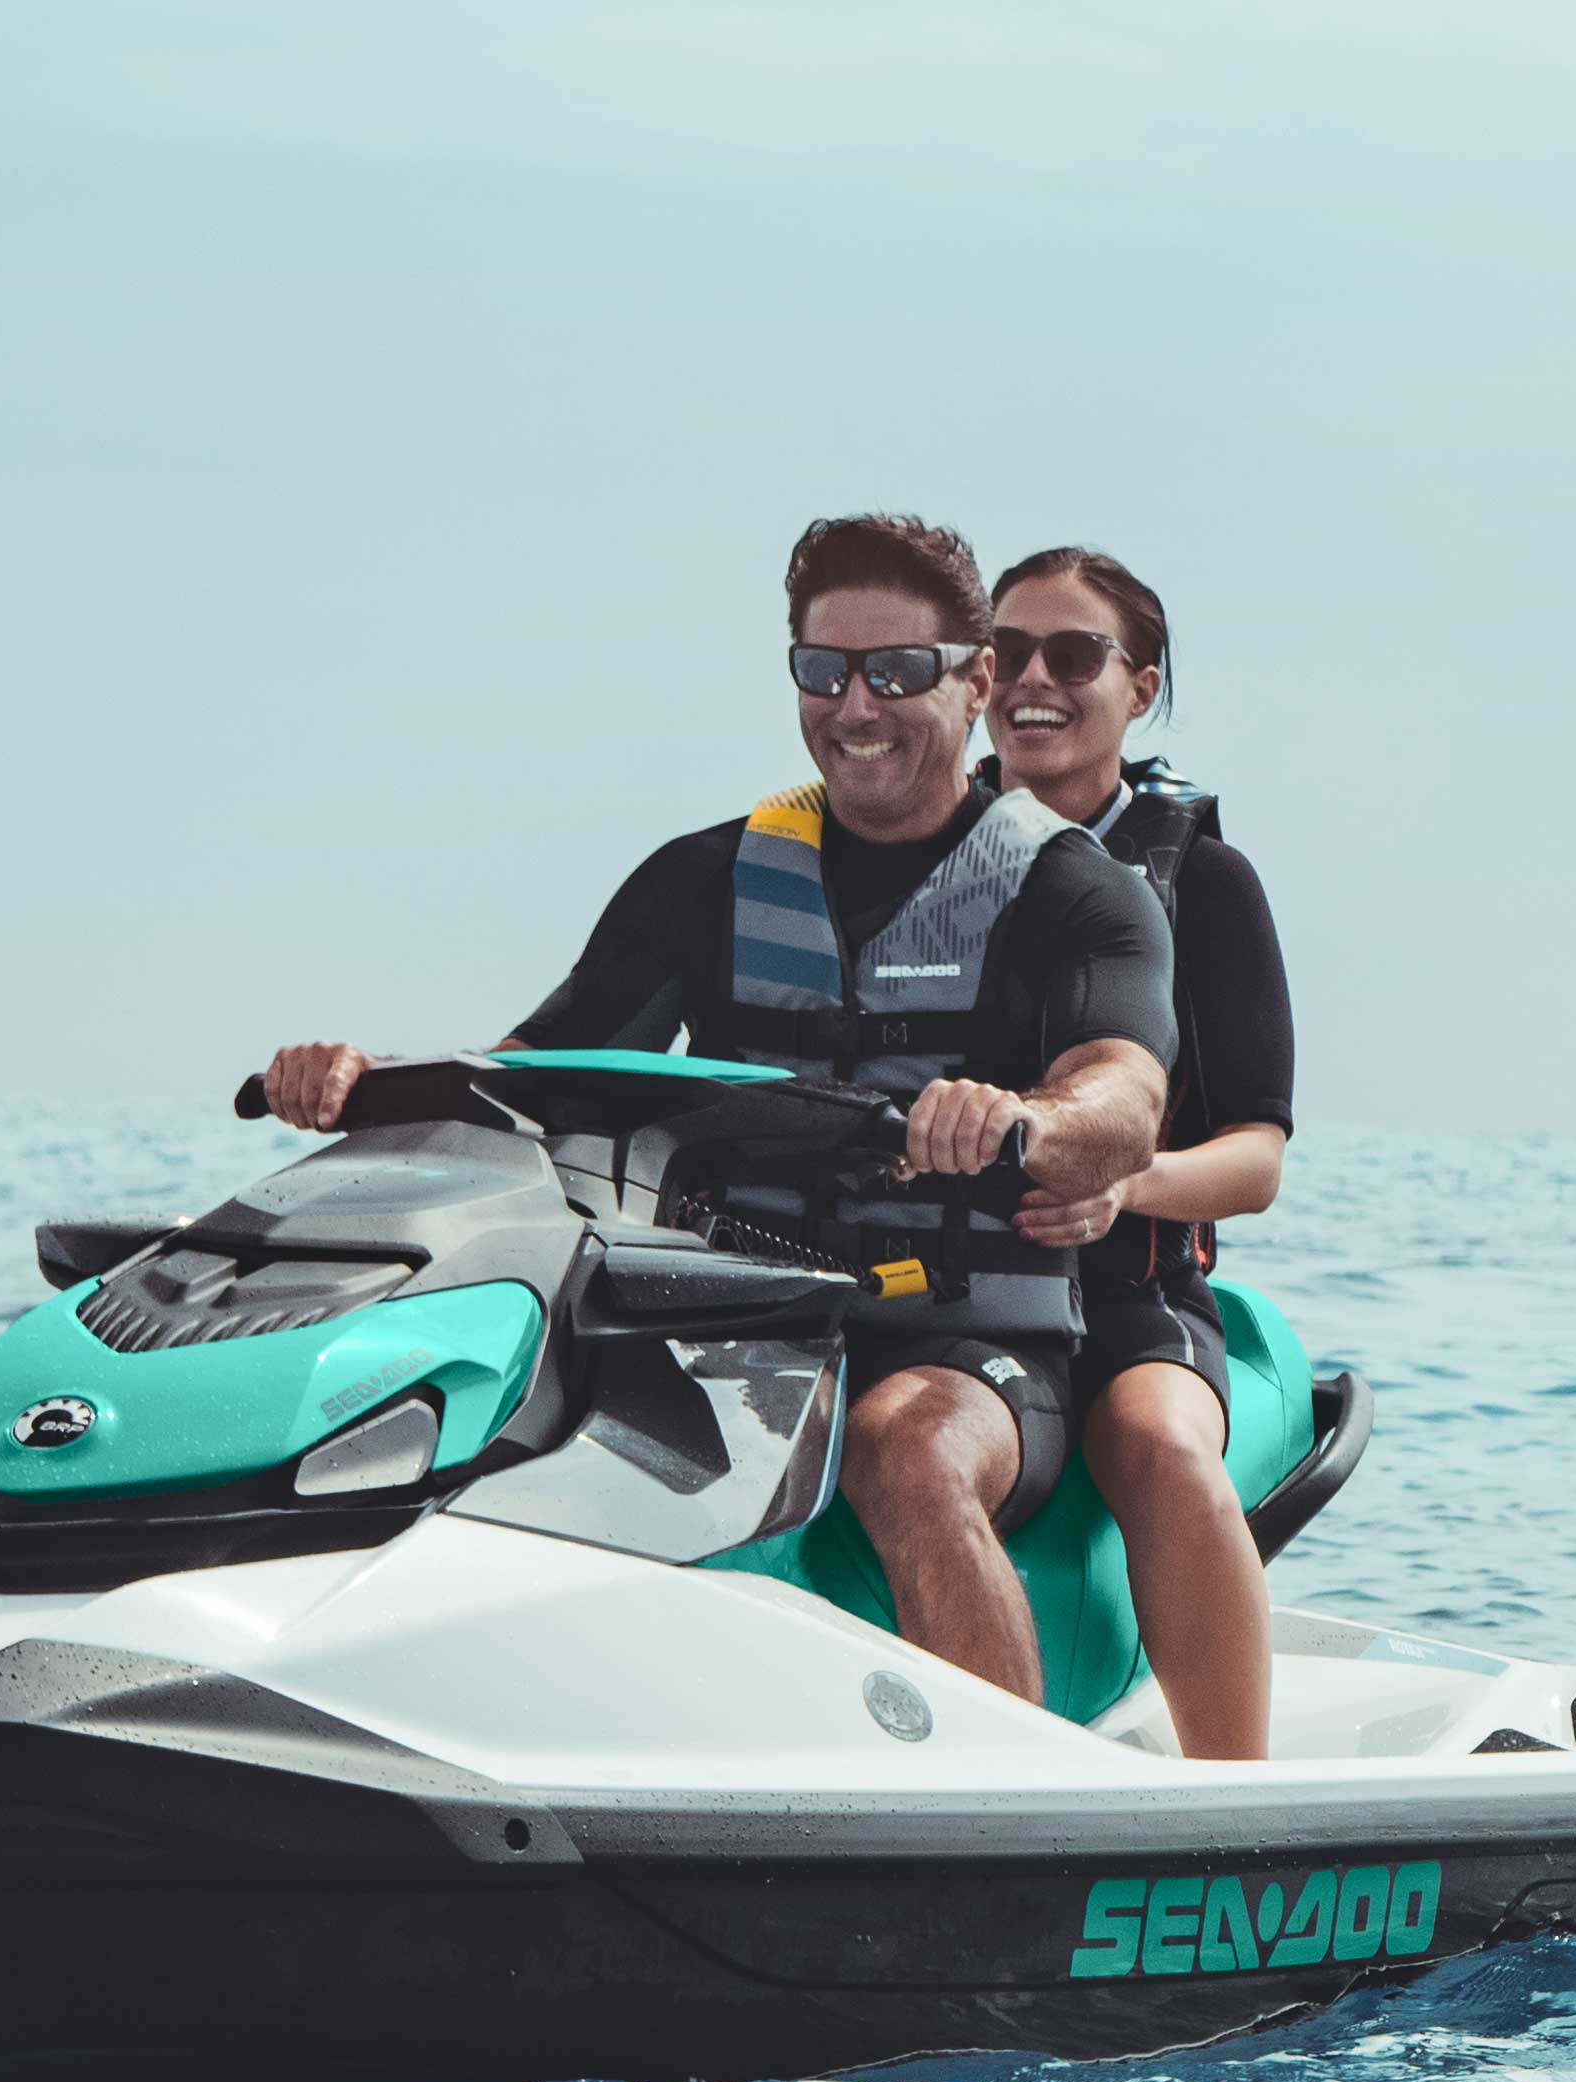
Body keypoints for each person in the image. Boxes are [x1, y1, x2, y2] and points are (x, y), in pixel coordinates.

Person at [262, 515, 1174, 1705]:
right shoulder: (704, 878)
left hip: (966, 1337)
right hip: (730, 1325)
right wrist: (357, 1085)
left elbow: (1126, 1100)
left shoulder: (1072, 890)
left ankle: (1010, 1809)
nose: (856, 706)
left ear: (974, 679)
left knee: (907, 1455)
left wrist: (1022, 1117)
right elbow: (533, 1072)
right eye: (822, 671)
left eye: (897, 672)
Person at [980, 547, 1296, 1759]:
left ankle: (1237, 1796)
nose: (1031, 681)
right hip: (920, 1285)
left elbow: (1255, 1157)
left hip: (1124, 1290)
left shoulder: (1202, 882)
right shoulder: (908, 865)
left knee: (1159, 1445)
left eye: (1073, 654)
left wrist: (1118, 1187)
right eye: (1002, 653)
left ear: (1140, 686)